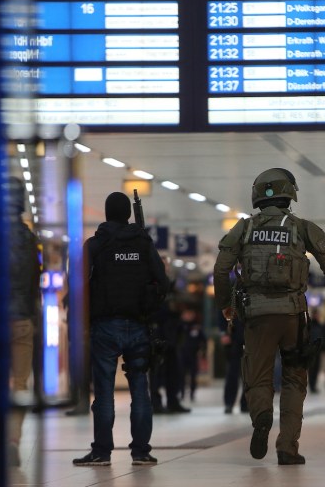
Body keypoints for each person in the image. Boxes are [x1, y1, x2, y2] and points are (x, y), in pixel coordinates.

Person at [213, 168, 325, 466]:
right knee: (294, 380)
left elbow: (221, 269)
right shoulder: (301, 226)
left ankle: (261, 417)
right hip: (293, 316)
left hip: (257, 317)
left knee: (257, 376)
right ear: (290, 194)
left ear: (257, 195)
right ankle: (287, 447)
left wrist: (226, 305)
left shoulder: (243, 228)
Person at [73, 191, 170, 466]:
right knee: (140, 389)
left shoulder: (94, 245)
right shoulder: (144, 244)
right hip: (139, 326)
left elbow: (78, 284)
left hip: (104, 327)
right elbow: (162, 282)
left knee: (103, 392)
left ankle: (102, 452)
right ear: (128, 214)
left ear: (106, 214)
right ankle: (141, 451)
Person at [6, 176, 41, 467]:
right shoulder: (29, 238)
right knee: (19, 382)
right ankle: (12, 440)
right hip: (21, 320)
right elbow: (34, 281)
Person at [217, 310, 249, 414]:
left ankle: (246, 403)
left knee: (249, 373)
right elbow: (222, 310)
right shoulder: (231, 295)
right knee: (232, 373)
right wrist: (223, 332)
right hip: (233, 337)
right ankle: (229, 403)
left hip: (248, 336)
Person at [178, 306, 207, 402]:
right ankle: (181, 393)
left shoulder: (196, 327)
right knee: (181, 375)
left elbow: (203, 340)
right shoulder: (179, 326)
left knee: (193, 375)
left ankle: (192, 393)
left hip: (193, 354)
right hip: (182, 354)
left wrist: (203, 352)